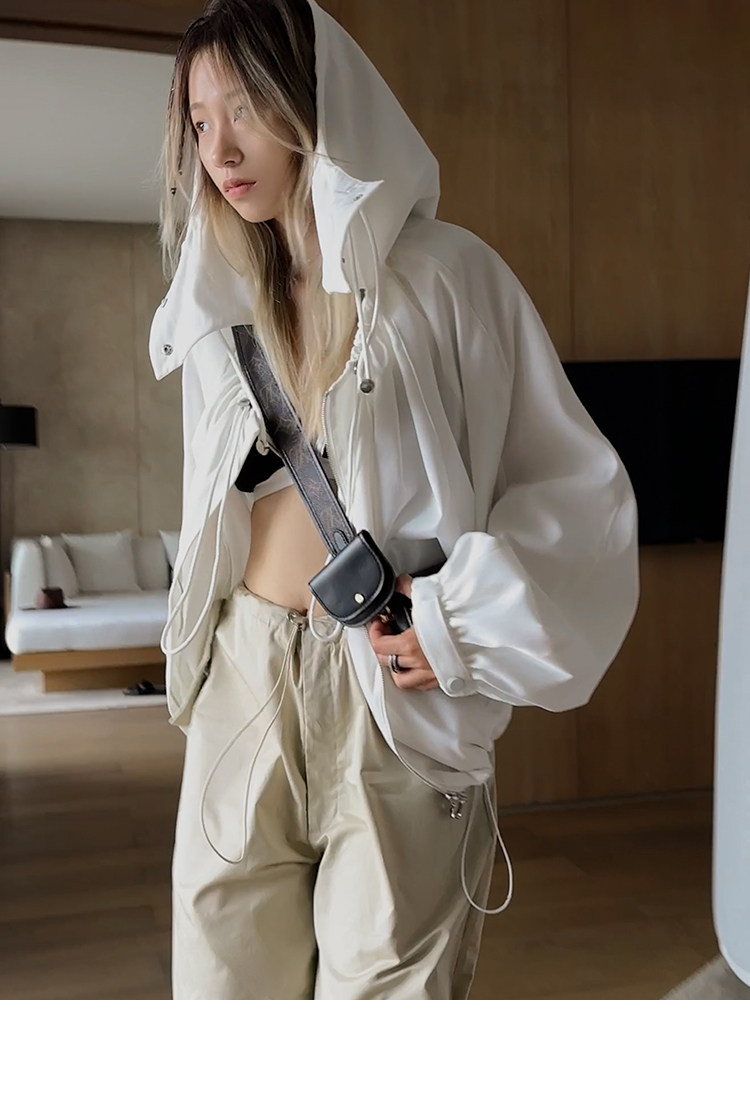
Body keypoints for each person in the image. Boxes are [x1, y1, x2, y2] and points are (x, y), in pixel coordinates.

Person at [149, 0, 640, 999]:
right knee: (221, 994)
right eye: (199, 122)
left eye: (243, 107)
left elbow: (576, 492)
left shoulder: (448, 277)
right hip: (245, 673)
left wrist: (458, 621)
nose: (221, 149)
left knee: (385, 1002)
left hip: (388, 683)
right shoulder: (217, 303)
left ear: (313, 99)